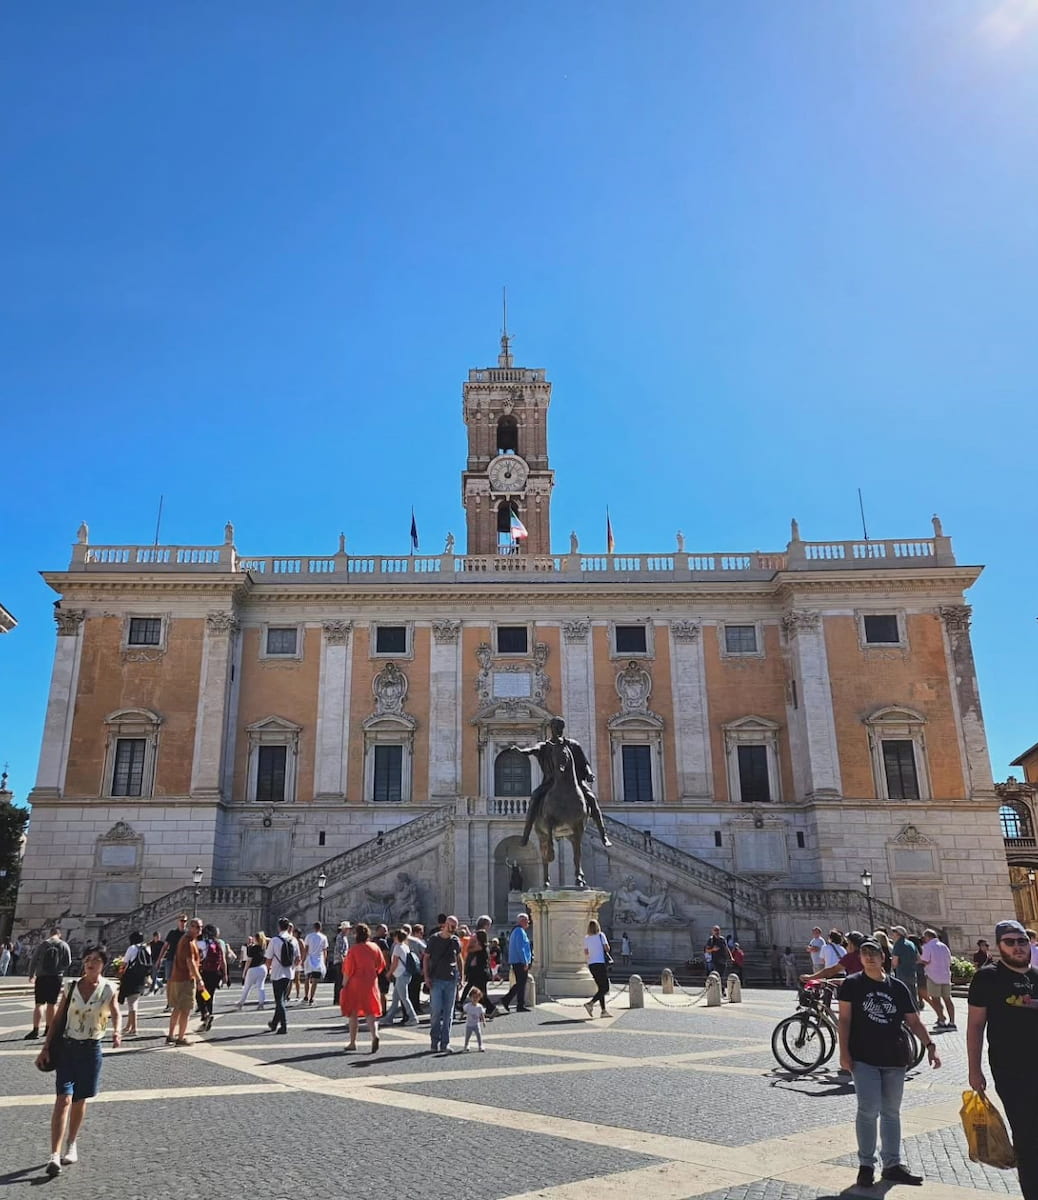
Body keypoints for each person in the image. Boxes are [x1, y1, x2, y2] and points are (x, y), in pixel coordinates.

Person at [838, 937, 940, 1188]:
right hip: (863, 1057)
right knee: (868, 1109)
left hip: (895, 1057)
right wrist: (844, 1053)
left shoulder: (897, 987)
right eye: (864, 953)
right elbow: (845, 1021)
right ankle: (866, 1165)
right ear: (860, 958)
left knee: (891, 1112)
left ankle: (892, 1164)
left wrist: (930, 1045)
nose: (869, 957)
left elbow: (914, 1021)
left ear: (883, 957)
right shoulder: (851, 984)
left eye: (874, 952)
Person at [35, 944, 122, 1177]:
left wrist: (117, 1031)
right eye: (86, 959)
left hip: (91, 1050)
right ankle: (54, 1155)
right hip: (67, 1048)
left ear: (103, 963)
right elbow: (57, 1019)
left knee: (80, 1100)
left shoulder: (108, 988)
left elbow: (115, 1011)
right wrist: (46, 1047)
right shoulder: (71, 986)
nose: (89, 963)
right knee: (63, 1099)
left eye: (94, 959)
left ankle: (71, 1143)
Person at [967, 918, 1038, 1200]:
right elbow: (975, 1026)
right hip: (1012, 1071)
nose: (1018, 947)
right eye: (1010, 942)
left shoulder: (1036, 976)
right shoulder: (987, 977)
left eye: (1022, 941)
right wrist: (975, 1070)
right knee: (1027, 1135)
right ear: (999, 946)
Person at [515, 717, 612, 847]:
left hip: (575, 781)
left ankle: (603, 834)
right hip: (551, 782)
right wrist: (522, 751)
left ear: (562, 729)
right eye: (555, 728)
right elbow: (534, 749)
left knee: (592, 799)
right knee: (535, 798)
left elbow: (584, 763)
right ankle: (526, 835)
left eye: (559, 728)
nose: (557, 730)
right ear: (551, 729)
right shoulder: (546, 746)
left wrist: (589, 773)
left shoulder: (573, 745)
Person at [340, 922, 386, 1053]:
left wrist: (344, 985)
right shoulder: (374, 947)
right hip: (371, 982)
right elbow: (380, 965)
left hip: (355, 983)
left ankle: (353, 1042)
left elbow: (348, 970)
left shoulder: (354, 950)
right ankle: (375, 1035)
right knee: (371, 1012)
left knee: (353, 1013)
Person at [425, 914, 464, 1052]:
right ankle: (434, 1041)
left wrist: (462, 978)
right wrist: (426, 977)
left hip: (451, 979)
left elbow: (459, 959)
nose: (452, 929)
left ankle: (445, 1043)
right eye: (451, 926)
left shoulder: (455, 941)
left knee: (448, 1013)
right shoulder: (434, 939)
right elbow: (426, 958)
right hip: (436, 979)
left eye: (455, 927)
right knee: (436, 1011)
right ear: (445, 925)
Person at [25, 927, 72, 1041]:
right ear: (59, 934)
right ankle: (49, 1029)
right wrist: (59, 969)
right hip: (56, 977)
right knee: (52, 1004)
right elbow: (68, 962)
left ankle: (35, 1030)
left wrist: (32, 974)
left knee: (39, 1004)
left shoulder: (43, 944)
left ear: (50, 934)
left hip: (41, 977)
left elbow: (34, 960)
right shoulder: (64, 945)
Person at [166, 917, 204, 1046]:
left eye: (201, 927)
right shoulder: (188, 941)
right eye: (197, 927)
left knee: (177, 1008)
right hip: (185, 979)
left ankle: (171, 1035)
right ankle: (181, 1037)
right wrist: (199, 980)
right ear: (191, 927)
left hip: (177, 977)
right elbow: (190, 962)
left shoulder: (188, 940)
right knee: (186, 1009)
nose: (200, 930)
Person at [265, 918, 299, 1035]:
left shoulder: (274, 940)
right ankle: (274, 1023)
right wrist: (293, 967)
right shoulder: (293, 940)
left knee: (279, 1000)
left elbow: (268, 958)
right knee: (282, 998)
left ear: (279, 927)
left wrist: (268, 969)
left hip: (277, 973)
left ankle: (284, 1025)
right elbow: (298, 958)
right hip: (289, 973)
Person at [919, 929, 955, 1030]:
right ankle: (952, 1022)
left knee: (936, 999)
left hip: (933, 976)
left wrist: (918, 960)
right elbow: (949, 961)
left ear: (927, 937)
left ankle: (941, 1020)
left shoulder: (927, 946)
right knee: (948, 999)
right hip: (945, 976)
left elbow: (925, 960)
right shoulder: (944, 947)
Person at [117, 931, 151, 1037]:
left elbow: (125, 962)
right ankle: (128, 1026)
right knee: (134, 1000)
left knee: (132, 1003)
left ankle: (134, 1028)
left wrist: (119, 972)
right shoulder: (147, 948)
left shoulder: (132, 948)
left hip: (131, 978)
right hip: (141, 977)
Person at [384, 928, 419, 1025]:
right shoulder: (405, 946)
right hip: (405, 974)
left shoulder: (397, 947)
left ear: (396, 937)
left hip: (400, 974)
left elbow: (394, 963)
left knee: (404, 998)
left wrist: (389, 973)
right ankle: (389, 1018)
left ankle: (413, 1017)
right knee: (396, 998)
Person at [196, 924, 228, 1031]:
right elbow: (223, 960)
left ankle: (205, 1013)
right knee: (210, 995)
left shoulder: (200, 944)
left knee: (199, 995)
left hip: (204, 973)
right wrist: (225, 975)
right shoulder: (219, 943)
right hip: (216, 973)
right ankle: (208, 1017)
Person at [501, 914, 533, 1014]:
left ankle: (520, 1004)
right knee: (520, 983)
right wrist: (525, 962)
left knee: (521, 983)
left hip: (516, 961)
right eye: (527, 920)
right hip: (520, 961)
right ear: (522, 921)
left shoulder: (516, 931)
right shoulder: (520, 931)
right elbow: (521, 948)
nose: (529, 922)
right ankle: (507, 999)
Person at [461, 928, 497, 1017]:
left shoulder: (480, 946)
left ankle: (491, 1008)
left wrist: (471, 941)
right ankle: (489, 1009)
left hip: (480, 972)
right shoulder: (484, 946)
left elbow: (468, 949)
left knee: (481, 992)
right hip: (480, 971)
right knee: (481, 991)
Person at [156, 914, 188, 1012]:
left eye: (185, 921)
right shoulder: (172, 933)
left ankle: (180, 1001)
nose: (183, 923)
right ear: (178, 921)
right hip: (171, 959)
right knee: (169, 981)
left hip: (183, 961)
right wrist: (159, 959)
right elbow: (165, 947)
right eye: (181, 921)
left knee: (183, 982)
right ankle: (169, 1003)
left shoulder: (187, 934)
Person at [583, 918, 611, 1017]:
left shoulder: (586, 938)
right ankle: (590, 1003)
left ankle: (603, 1011)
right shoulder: (601, 935)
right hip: (600, 963)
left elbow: (586, 953)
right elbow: (607, 948)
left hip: (591, 964)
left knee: (600, 988)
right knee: (605, 988)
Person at [889, 926, 920, 1011]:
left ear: (898, 934)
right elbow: (919, 959)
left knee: (903, 996)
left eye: (894, 932)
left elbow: (894, 963)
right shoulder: (911, 944)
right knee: (913, 996)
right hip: (912, 973)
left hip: (902, 973)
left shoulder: (898, 945)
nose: (892, 934)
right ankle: (916, 1013)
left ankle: (907, 1017)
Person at [236, 932, 268, 1010]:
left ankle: (241, 1003)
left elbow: (248, 961)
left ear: (256, 939)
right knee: (261, 986)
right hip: (263, 968)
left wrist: (244, 971)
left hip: (253, 969)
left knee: (247, 987)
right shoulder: (264, 948)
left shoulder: (253, 948)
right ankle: (261, 1003)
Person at [303, 921, 328, 1006]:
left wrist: (303, 959)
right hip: (318, 959)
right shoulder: (323, 937)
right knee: (315, 980)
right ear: (320, 928)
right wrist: (324, 961)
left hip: (309, 958)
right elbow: (325, 951)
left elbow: (306, 948)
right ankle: (311, 998)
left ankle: (306, 996)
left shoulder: (309, 936)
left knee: (307, 978)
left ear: (314, 927)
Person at [405, 923, 427, 1015]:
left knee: (408, 990)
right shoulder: (417, 941)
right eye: (421, 933)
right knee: (415, 989)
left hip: (405, 969)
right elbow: (426, 953)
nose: (422, 935)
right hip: (416, 968)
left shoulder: (398, 941)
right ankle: (416, 1008)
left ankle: (409, 1009)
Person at [705, 925, 731, 995]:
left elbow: (727, 948)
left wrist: (730, 957)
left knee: (722, 976)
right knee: (716, 975)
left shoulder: (722, 939)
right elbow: (707, 950)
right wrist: (713, 949)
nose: (717, 932)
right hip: (715, 961)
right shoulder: (711, 940)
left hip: (723, 960)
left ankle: (722, 990)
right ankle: (715, 991)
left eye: (718, 930)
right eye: (715, 930)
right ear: (712, 931)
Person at [330, 921, 351, 1007]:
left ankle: (339, 999)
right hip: (340, 961)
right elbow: (340, 950)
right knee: (339, 980)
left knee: (340, 980)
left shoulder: (343, 937)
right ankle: (338, 999)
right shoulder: (341, 937)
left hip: (341, 960)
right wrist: (343, 962)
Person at [463, 986, 487, 1051]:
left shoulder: (479, 1007)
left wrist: (484, 1021)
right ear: (470, 997)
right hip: (469, 1024)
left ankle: (480, 1045)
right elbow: (464, 1011)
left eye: (477, 997)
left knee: (479, 1035)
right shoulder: (468, 1006)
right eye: (473, 997)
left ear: (479, 998)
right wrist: (461, 1016)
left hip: (476, 1024)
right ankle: (466, 1045)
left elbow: (482, 1014)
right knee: (467, 1036)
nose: (475, 999)